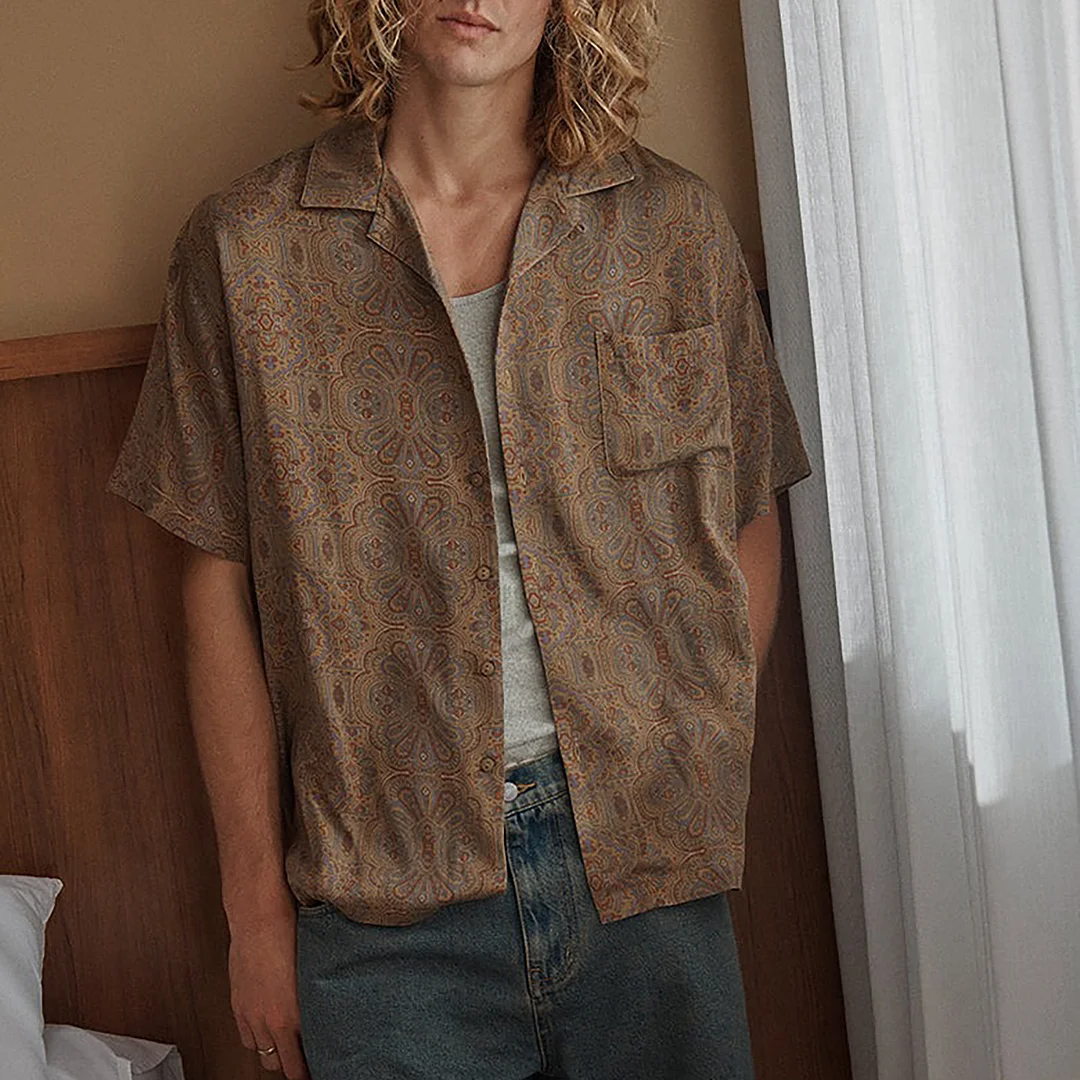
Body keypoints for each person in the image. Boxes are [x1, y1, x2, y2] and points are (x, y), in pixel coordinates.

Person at [107, 1, 811, 1077]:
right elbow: (215, 593)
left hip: (646, 875)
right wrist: (254, 914)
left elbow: (747, 512)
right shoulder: (247, 250)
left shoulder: (670, 228)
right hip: (383, 906)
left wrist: (683, 743)